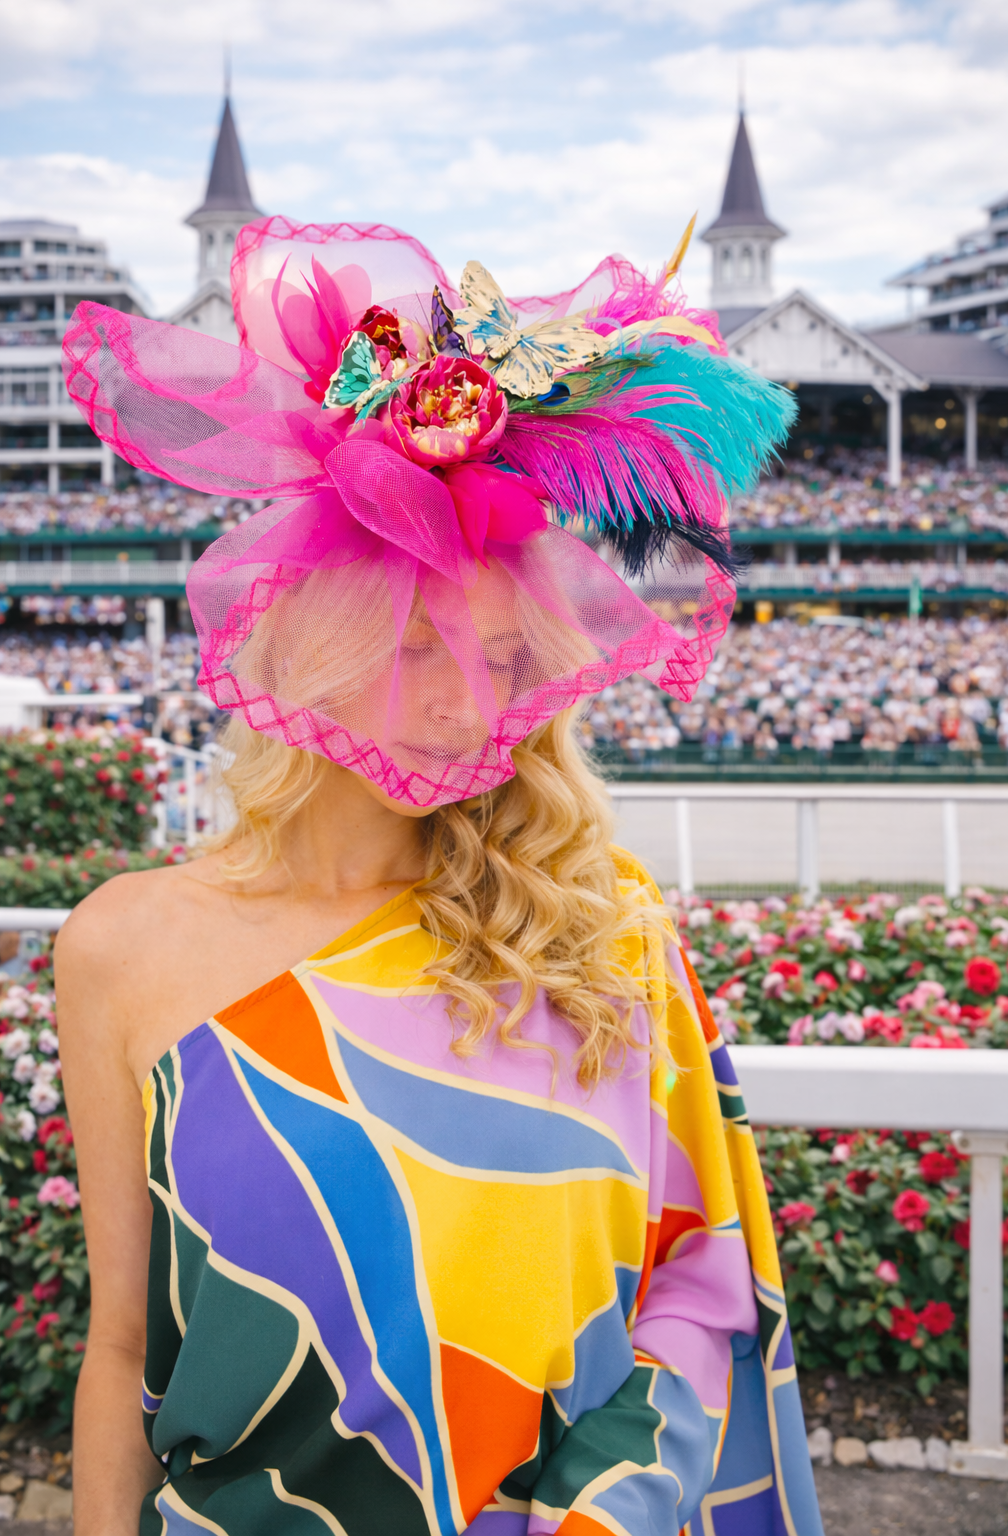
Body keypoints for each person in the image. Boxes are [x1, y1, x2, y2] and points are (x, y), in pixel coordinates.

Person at [55, 218, 822, 1536]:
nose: (466, 704)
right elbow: (126, 1354)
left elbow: (695, 1292)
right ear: (307, 635)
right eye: (415, 643)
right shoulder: (122, 948)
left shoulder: (603, 938)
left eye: (504, 660)